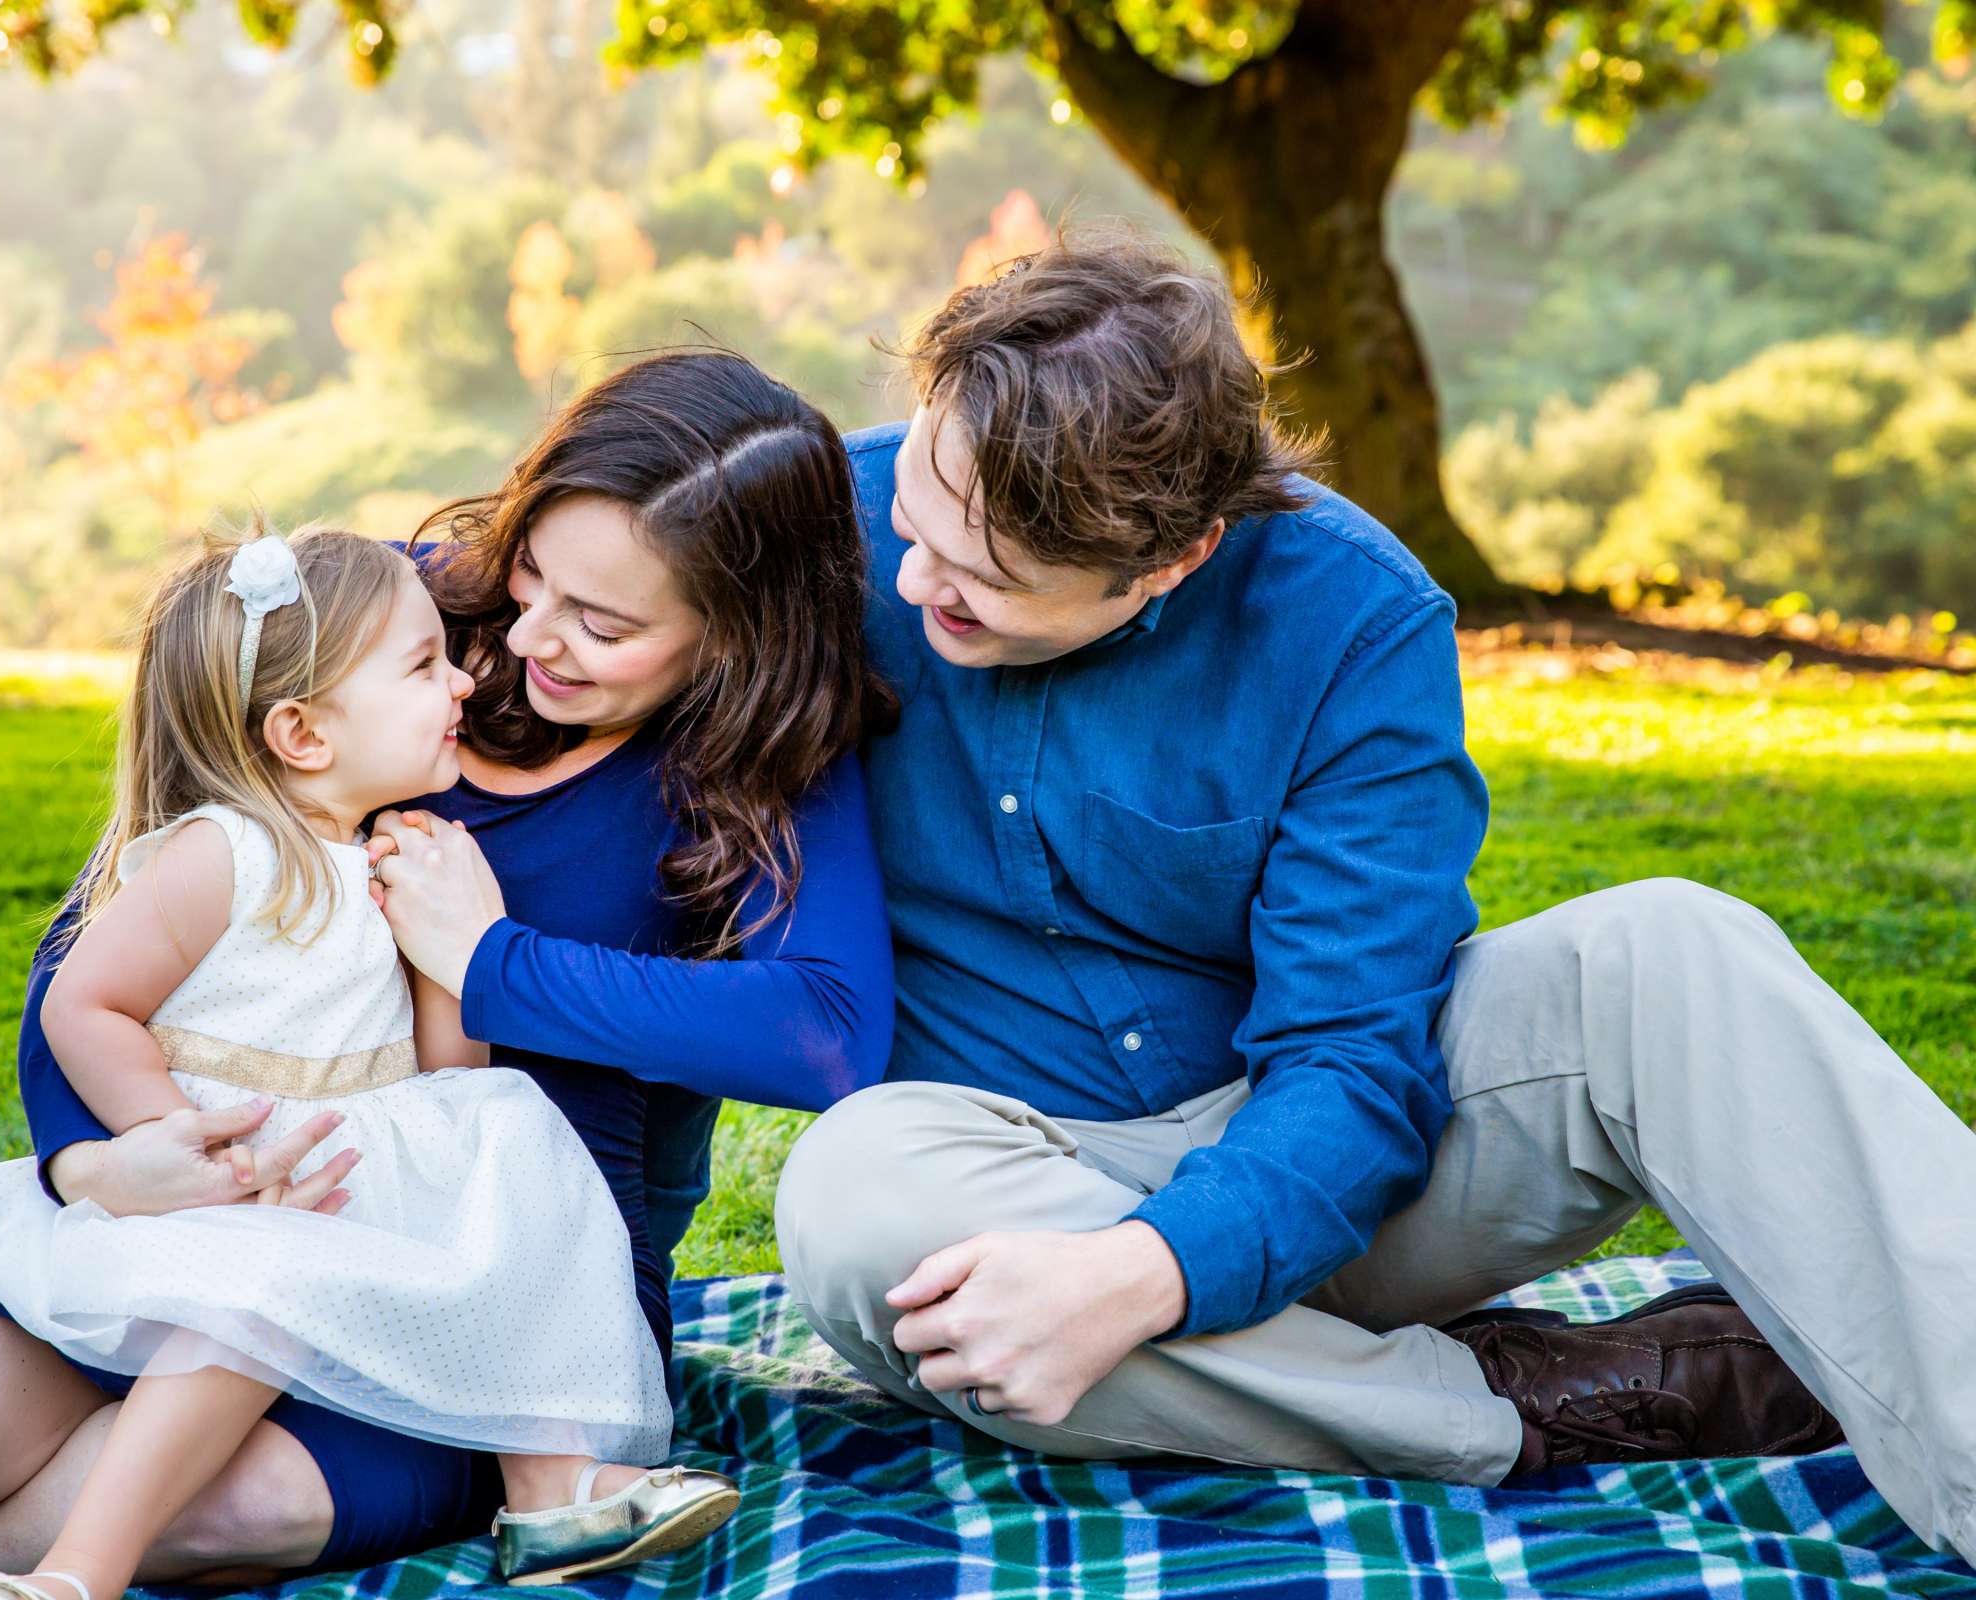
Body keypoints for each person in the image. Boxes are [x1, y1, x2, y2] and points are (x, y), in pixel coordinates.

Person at [0, 352, 898, 1582]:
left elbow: (826, 1035)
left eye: (601, 624)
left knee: (234, 1508)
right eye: (534, 574)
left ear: (732, 635)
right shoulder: (388, 616)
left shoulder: (758, 759)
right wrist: (99, 1161)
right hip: (192, 1187)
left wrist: (490, 963)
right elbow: (114, 926)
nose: (526, 636)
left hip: (474, 1278)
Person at [775, 222, 1976, 1570]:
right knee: (853, 1207)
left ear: (1173, 559)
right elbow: (586, 583)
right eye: (919, 526)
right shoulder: (824, 527)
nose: (916, 576)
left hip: (1336, 1155)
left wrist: (1147, 1274)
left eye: (985, 585)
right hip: (1011, 1171)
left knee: (1671, 946)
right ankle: (1520, 1404)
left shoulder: (1352, 617)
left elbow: (1351, 1064)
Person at [0, 521, 738, 1600]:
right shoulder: (222, 854)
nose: (465, 679)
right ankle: (78, 1572)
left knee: (513, 1124)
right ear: (304, 734)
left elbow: (447, 1073)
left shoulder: (393, 853)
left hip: (355, 1175)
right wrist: (159, 1133)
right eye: (423, 665)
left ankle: (552, 1489)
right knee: (259, 1294)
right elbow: (84, 1003)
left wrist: (462, 940)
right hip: (237, 1184)